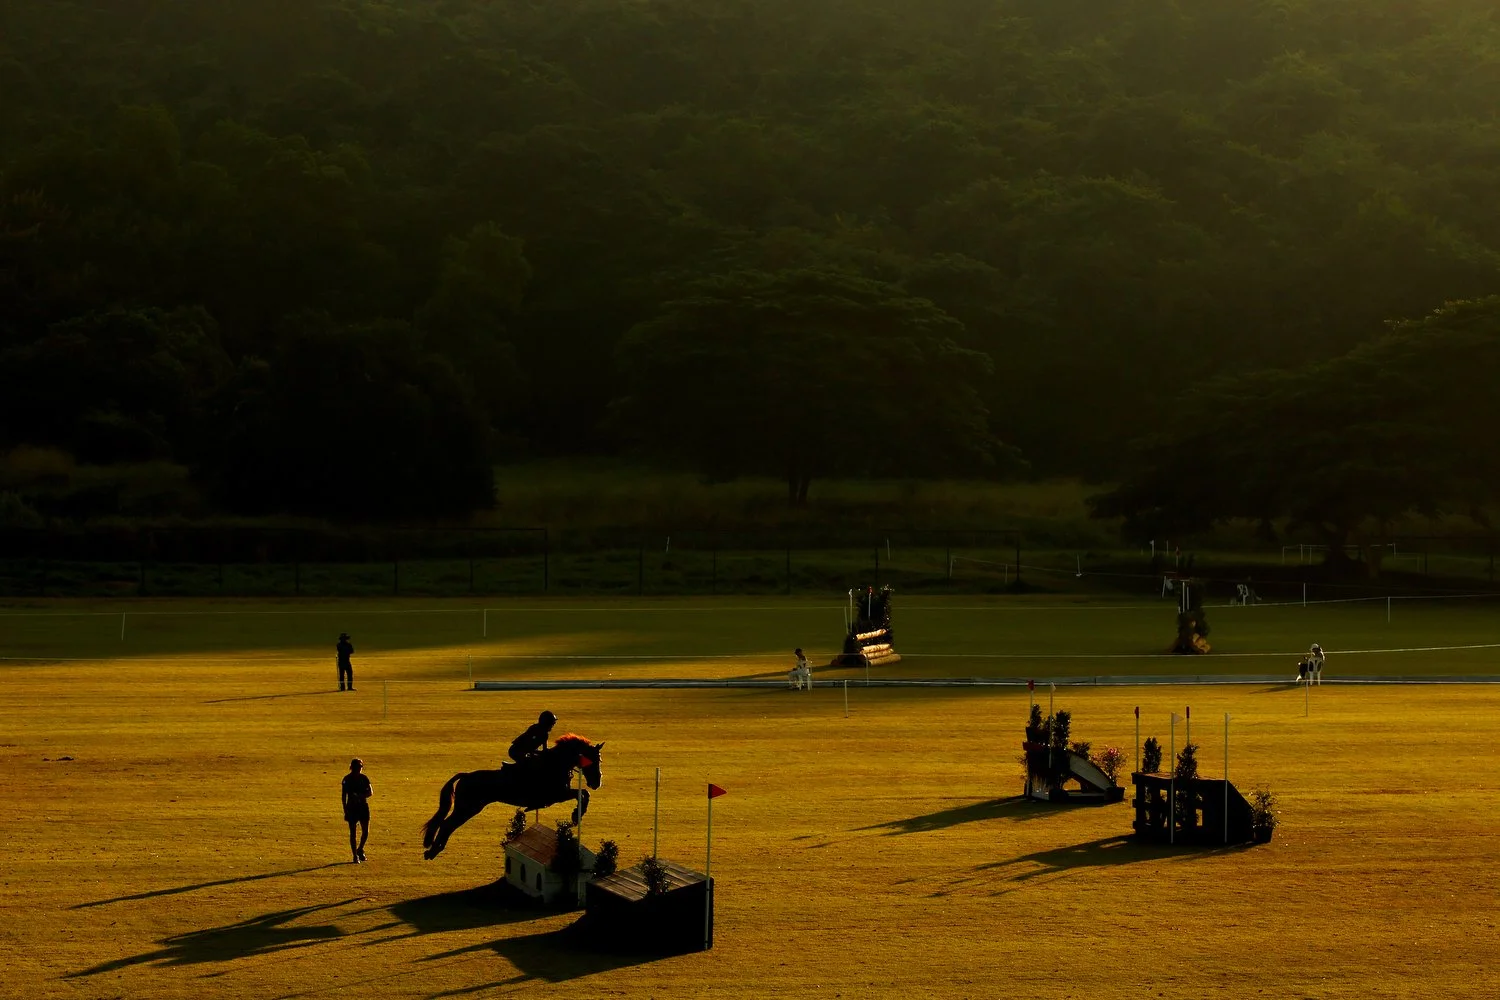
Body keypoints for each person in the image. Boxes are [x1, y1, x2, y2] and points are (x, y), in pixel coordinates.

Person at [342, 758, 372, 863]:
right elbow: (343, 796)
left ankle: (360, 849)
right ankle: (355, 855)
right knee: (353, 833)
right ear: (352, 768)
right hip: (352, 808)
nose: (359, 769)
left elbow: (370, 792)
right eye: (357, 767)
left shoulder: (364, 778)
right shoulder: (347, 779)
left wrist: (359, 796)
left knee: (366, 831)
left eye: (360, 767)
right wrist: (345, 810)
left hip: (363, 807)